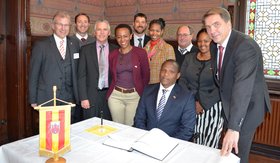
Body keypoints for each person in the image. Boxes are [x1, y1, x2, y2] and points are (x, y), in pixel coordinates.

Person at [203, 7, 271, 163]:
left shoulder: (245, 46)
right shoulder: (215, 45)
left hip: (248, 107)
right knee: (229, 151)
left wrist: (234, 128)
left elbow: (242, 87)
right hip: (231, 104)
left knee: (237, 153)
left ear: (229, 23)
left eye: (216, 24)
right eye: (208, 27)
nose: (212, 31)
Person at [29, 11, 80, 122]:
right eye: (59, 24)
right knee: (50, 133)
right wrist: (33, 99)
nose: (63, 28)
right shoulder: (41, 45)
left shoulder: (75, 44)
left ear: (70, 27)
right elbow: (34, 74)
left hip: (70, 98)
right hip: (47, 97)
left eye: (66, 25)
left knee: (67, 130)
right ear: (53, 26)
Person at [179, 28, 223, 148]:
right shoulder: (189, 58)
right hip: (189, 105)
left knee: (208, 145)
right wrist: (192, 101)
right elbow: (182, 80)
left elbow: (221, 86)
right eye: (199, 41)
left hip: (211, 108)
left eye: (206, 41)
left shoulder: (219, 60)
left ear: (212, 42)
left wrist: (202, 103)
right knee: (189, 142)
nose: (202, 44)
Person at [134, 59, 196, 141]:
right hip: (145, 140)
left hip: (171, 144)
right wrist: (145, 137)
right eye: (164, 70)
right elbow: (139, 119)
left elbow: (187, 129)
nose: (166, 74)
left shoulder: (186, 97)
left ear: (178, 76)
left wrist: (168, 143)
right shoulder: (148, 90)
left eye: (171, 72)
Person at [107, 24, 150, 126]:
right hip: (115, 97)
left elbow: (146, 75)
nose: (122, 39)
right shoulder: (112, 54)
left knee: (130, 127)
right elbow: (110, 75)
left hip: (134, 96)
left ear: (131, 36)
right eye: (119, 36)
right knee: (117, 127)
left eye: (125, 36)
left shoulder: (141, 53)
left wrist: (140, 92)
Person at [78, 19, 118, 120]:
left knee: (108, 126)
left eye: (105, 29)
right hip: (90, 96)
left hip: (111, 96)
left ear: (109, 33)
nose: (102, 32)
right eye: (99, 30)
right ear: (95, 32)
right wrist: (83, 98)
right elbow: (81, 76)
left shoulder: (116, 50)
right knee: (89, 127)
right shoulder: (85, 50)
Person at [144, 18, 175, 84]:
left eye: (157, 31)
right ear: (148, 30)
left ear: (162, 31)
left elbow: (171, 71)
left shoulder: (168, 48)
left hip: (160, 85)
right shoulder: (144, 49)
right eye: (152, 30)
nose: (154, 33)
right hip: (145, 85)